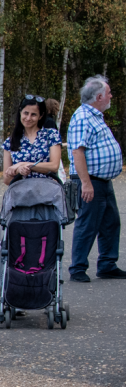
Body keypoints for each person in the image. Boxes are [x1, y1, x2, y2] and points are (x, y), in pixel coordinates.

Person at [67, 76, 125, 282]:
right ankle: (77, 268)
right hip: (90, 181)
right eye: (108, 93)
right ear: (99, 96)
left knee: (111, 222)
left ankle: (108, 264)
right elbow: (77, 152)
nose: (111, 96)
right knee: (88, 223)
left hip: (102, 181)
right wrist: (86, 183)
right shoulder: (83, 116)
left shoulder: (95, 115)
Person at [1, 95, 62, 185]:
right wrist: (19, 170)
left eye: (33, 114)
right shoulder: (10, 142)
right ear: (20, 112)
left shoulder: (51, 135)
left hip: (47, 193)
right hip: (22, 194)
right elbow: (6, 180)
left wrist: (25, 164)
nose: (28, 118)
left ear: (40, 116)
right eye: (26, 113)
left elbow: (54, 166)